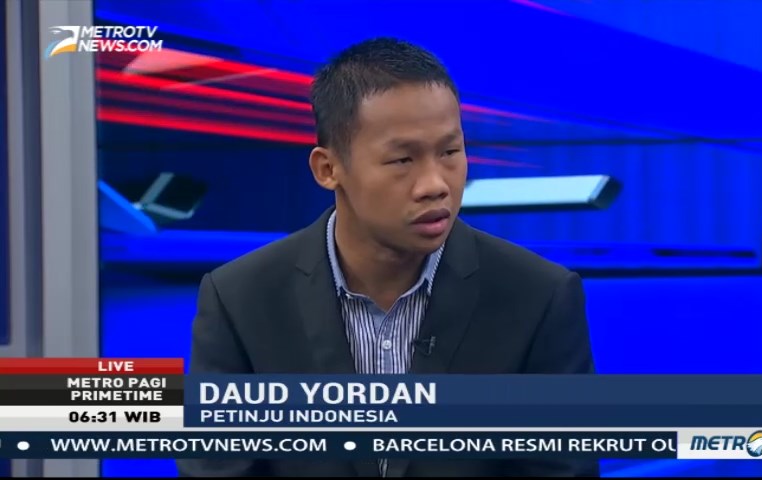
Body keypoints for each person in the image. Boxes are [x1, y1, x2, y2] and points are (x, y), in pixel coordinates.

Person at [177, 37, 597, 477]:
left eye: (450, 152)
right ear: (328, 169)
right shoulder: (240, 299)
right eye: (402, 160)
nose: (435, 184)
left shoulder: (539, 297)